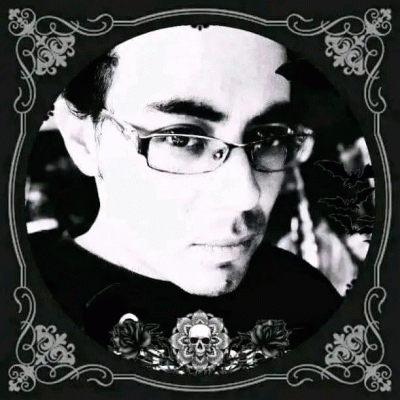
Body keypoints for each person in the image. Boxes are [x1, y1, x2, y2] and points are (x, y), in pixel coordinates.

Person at [29, 26, 342, 355]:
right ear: (83, 141)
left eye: (268, 138)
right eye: (181, 138)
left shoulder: (305, 299)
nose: (246, 195)